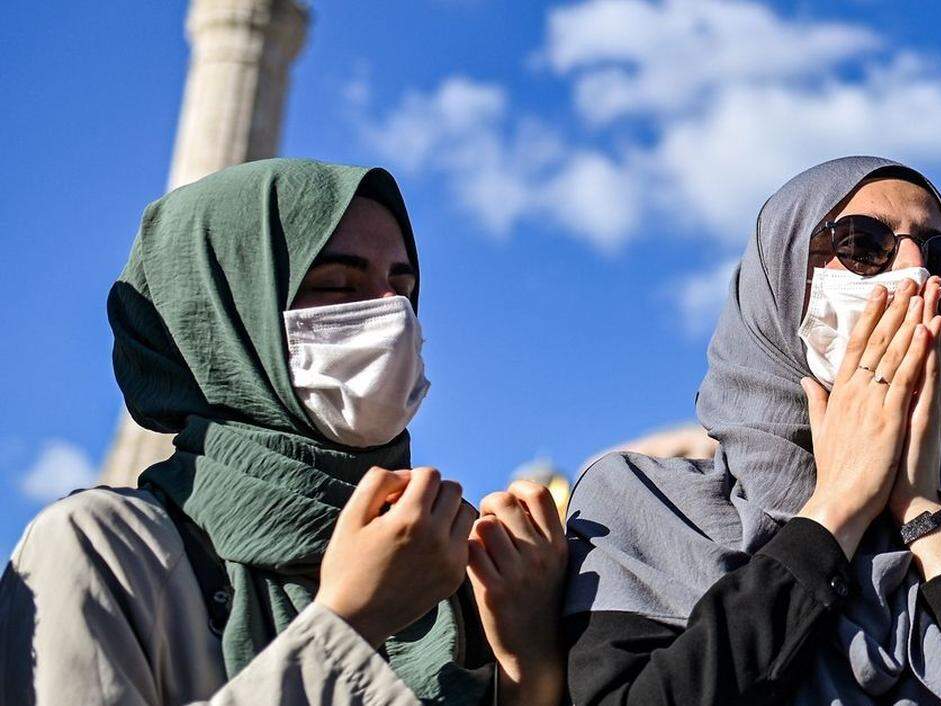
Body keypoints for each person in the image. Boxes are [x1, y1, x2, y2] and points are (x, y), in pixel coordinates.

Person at [561, 156, 941, 705]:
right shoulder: (642, 508)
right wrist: (837, 508)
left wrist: (928, 520)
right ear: (779, 284)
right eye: (863, 245)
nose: (918, 275)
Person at [0, 158, 566, 705]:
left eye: (403, 285)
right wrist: (351, 620)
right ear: (226, 316)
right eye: (338, 284)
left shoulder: (456, 569)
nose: (392, 316)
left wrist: (530, 669)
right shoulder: (104, 550)